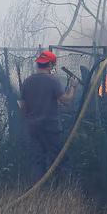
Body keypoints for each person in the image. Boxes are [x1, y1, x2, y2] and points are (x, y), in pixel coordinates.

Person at [19, 51, 77, 182]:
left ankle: (38, 190)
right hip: (50, 128)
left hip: (33, 127)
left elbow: (23, 107)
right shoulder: (52, 81)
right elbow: (66, 101)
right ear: (50, 64)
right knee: (59, 159)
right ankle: (62, 190)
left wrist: (29, 121)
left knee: (38, 160)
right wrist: (73, 87)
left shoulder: (27, 81)